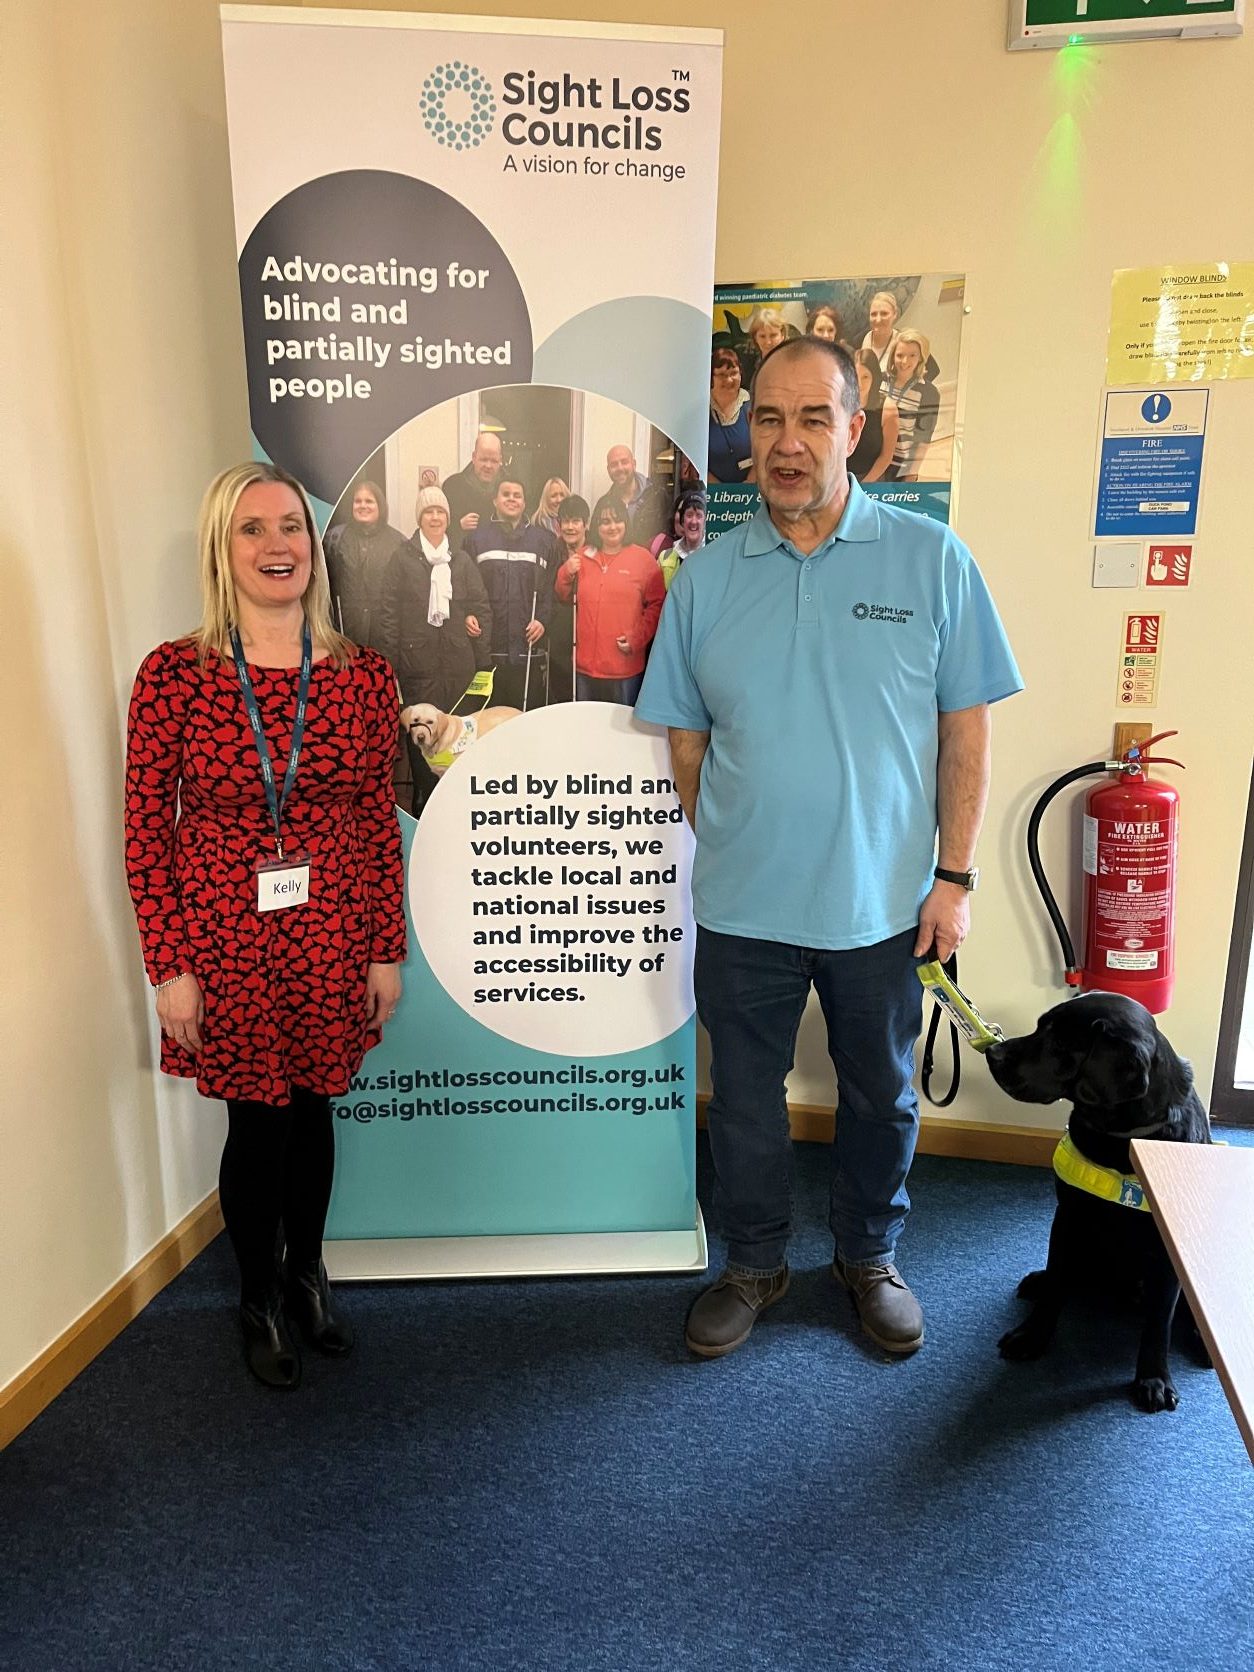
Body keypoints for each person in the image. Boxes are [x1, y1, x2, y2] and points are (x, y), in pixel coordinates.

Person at [636, 338, 1021, 1361]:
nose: (789, 442)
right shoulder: (706, 580)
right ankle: (754, 1262)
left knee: (879, 1096)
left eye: (814, 418)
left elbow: (965, 733)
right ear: (746, 434)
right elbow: (684, 734)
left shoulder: (931, 560)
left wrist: (954, 877)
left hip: (883, 906)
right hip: (744, 906)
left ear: (857, 429)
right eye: (767, 419)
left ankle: (868, 1258)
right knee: (748, 1104)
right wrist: (728, 829)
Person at [124, 461, 406, 1392]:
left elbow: (374, 822)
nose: (277, 544)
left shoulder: (363, 677)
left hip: (331, 932)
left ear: (313, 547)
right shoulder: (173, 675)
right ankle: (255, 1296)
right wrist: (169, 966)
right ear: (222, 549)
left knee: (317, 1109)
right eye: (252, 529)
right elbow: (144, 829)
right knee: (258, 1122)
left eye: (291, 525)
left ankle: (307, 1273)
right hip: (222, 942)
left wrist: (384, 948)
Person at [381, 486, 493, 815]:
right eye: (428, 512)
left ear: (448, 518)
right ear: (419, 518)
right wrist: (393, 666)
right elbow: (389, 614)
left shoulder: (460, 560)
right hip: (418, 666)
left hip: (458, 666)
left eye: (440, 512)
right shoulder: (401, 559)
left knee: (455, 733)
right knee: (422, 735)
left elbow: (480, 607)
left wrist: (477, 632)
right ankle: (424, 798)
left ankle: (456, 798)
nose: (435, 517)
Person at [555, 498, 665, 704]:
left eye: (617, 520)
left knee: (621, 733)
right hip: (584, 668)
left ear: (626, 523)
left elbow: (658, 605)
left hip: (624, 669)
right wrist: (565, 572)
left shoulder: (643, 560)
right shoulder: (583, 556)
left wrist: (638, 637)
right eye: (605, 522)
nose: (612, 527)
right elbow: (563, 595)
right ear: (596, 526)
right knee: (586, 729)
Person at [464, 473, 559, 710]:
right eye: (506, 494)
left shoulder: (544, 541)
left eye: (518, 495)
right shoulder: (476, 539)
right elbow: (464, 586)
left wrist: (543, 620)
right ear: (495, 500)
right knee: (489, 721)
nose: (512, 499)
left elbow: (550, 589)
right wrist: (466, 613)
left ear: (525, 502)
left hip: (529, 652)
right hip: (489, 649)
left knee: (526, 721)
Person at [323, 479, 407, 660]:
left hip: (384, 635)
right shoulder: (334, 539)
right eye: (357, 501)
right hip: (345, 632)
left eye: (369, 501)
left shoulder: (398, 543)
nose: (363, 506)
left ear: (380, 506)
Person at [548, 493, 595, 704]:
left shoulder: (597, 550)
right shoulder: (552, 550)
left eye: (575, 521)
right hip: (560, 633)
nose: (570, 527)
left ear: (586, 524)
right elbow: (547, 590)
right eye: (565, 521)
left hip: (589, 630)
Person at [885, 328, 941, 482]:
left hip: (900, 468)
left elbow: (923, 439)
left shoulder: (929, 393)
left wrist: (910, 474)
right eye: (900, 355)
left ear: (921, 358)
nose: (904, 361)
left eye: (912, 356)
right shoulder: (880, 381)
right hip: (872, 464)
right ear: (892, 356)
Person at [848, 348, 900, 483]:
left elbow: (886, 457)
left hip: (872, 477)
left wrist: (863, 485)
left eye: (865, 377)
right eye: (855, 376)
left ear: (874, 378)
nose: (859, 384)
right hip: (841, 476)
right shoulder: (840, 402)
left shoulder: (887, 408)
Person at [604, 444, 670, 548]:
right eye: (614, 464)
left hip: (652, 562)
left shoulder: (657, 495)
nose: (620, 468)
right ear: (608, 470)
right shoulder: (605, 503)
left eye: (624, 462)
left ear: (634, 464)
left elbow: (669, 536)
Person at [442, 432, 503, 537]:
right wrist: (458, 525)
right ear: (474, 457)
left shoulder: (509, 490)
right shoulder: (452, 487)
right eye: (484, 459)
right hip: (463, 552)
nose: (488, 465)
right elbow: (438, 528)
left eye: (494, 461)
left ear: (500, 460)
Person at [708, 347, 753, 486]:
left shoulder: (752, 406)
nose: (728, 380)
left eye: (733, 373)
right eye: (721, 375)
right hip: (713, 494)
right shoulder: (701, 412)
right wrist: (721, 493)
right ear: (711, 377)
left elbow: (764, 451)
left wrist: (747, 486)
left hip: (751, 492)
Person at [656, 489, 706, 590]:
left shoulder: (714, 555)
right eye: (689, 515)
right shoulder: (664, 557)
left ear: (705, 520)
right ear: (682, 521)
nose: (693, 521)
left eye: (699, 515)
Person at [860, 290, 901, 383]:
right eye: (873, 314)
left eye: (884, 314)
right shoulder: (861, 339)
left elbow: (932, 370)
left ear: (895, 314)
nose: (878, 320)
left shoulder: (904, 341)